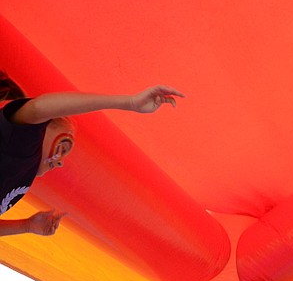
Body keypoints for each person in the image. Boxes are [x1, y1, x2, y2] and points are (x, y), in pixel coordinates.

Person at [0, 71, 184, 237]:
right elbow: (37, 108)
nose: (60, 162)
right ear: (41, 128)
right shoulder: (22, 146)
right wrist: (128, 102)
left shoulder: (22, 172)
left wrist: (27, 226)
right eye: (62, 148)